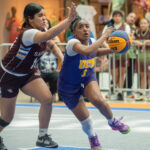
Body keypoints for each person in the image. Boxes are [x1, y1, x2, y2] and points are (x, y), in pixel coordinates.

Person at [0, 2, 76, 150]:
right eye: (40, 15)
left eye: (44, 15)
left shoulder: (42, 29)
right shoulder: (28, 33)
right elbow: (49, 35)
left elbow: (52, 44)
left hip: (27, 73)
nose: (44, 18)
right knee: (7, 118)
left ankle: (42, 137)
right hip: (10, 76)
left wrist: (64, 61)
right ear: (30, 19)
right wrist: (68, 20)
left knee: (47, 99)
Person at [58, 17, 130, 150]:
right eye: (80, 27)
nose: (85, 29)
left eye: (87, 26)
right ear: (74, 32)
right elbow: (87, 51)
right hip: (68, 86)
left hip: (87, 78)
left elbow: (95, 51)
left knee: (99, 100)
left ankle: (113, 121)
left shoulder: (91, 41)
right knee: (87, 121)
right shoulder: (72, 43)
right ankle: (92, 137)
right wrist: (104, 36)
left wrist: (113, 49)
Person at [103, 10, 131, 100]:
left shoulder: (126, 26)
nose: (117, 17)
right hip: (112, 52)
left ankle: (120, 91)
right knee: (114, 73)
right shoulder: (108, 26)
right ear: (113, 17)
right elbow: (103, 39)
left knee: (122, 73)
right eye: (115, 16)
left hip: (123, 52)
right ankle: (116, 88)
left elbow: (129, 39)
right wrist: (107, 46)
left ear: (121, 17)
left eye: (119, 16)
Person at [38, 19, 61, 102]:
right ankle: (41, 96)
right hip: (41, 70)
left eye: (47, 23)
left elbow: (57, 40)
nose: (45, 24)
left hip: (53, 70)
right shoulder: (38, 34)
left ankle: (53, 93)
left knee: (57, 76)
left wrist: (46, 44)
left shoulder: (53, 35)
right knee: (36, 77)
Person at [134, 18, 150, 101]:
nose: (143, 25)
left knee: (149, 75)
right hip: (140, 57)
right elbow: (132, 39)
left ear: (148, 24)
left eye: (145, 23)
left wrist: (147, 41)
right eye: (141, 23)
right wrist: (136, 42)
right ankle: (143, 93)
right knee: (142, 75)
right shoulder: (137, 32)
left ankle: (149, 93)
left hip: (149, 57)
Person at [125, 12, 137, 99]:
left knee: (130, 73)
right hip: (122, 54)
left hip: (132, 54)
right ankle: (115, 90)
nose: (132, 18)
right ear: (126, 17)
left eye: (134, 17)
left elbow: (135, 39)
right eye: (131, 16)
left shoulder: (136, 29)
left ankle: (129, 91)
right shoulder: (123, 26)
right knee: (118, 73)